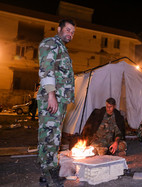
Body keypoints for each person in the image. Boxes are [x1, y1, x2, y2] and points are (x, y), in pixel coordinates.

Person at [37, 19, 76, 187]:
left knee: (55, 136)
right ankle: (47, 173)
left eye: (72, 32)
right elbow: (46, 68)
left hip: (59, 100)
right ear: (59, 29)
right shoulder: (51, 43)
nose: (70, 34)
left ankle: (51, 168)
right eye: (67, 30)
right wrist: (51, 94)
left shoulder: (61, 47)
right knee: (48, 135)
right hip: (52, 98)